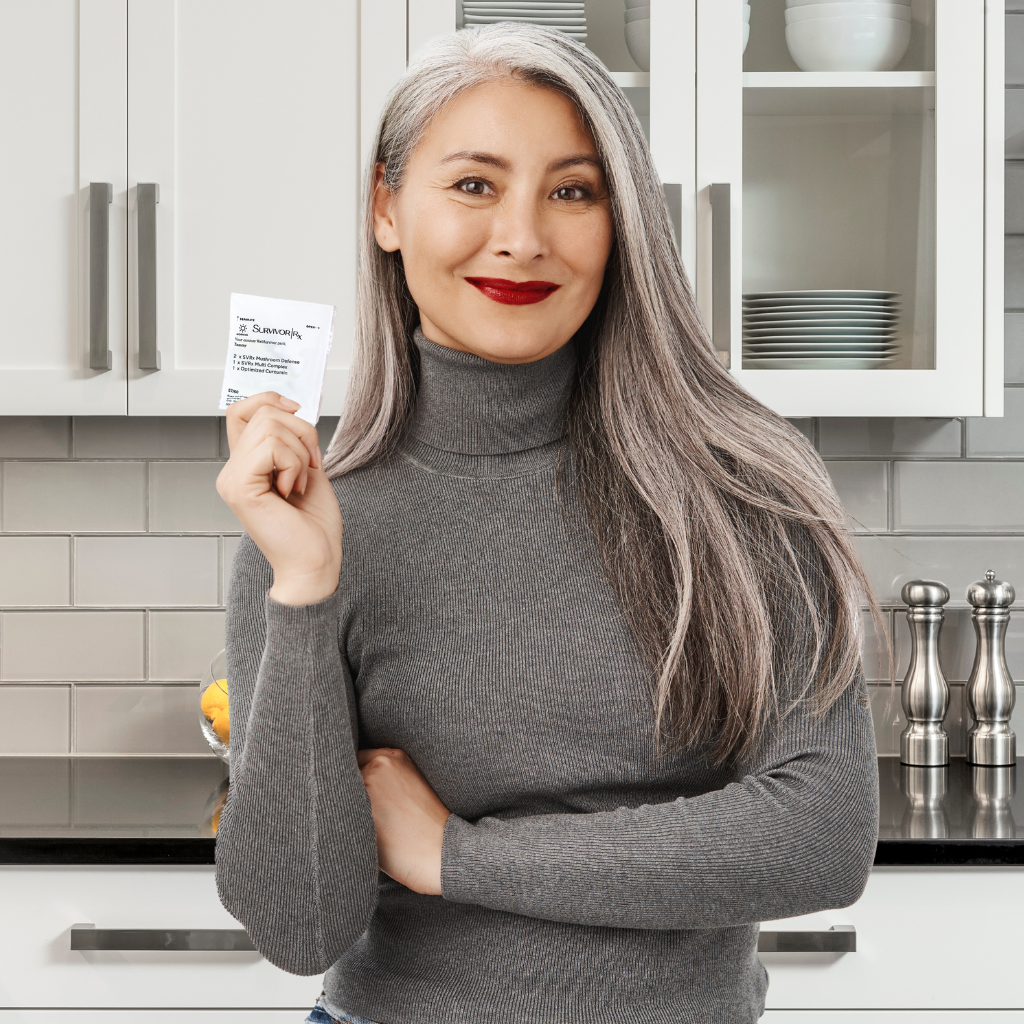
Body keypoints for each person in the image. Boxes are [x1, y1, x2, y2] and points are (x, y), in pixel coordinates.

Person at [214, 22, 880, 1024]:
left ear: (622, 224)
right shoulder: (313, 523)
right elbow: (298, 927)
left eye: (573, 190)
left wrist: (454, 853)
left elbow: (819, 837)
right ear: (386, 207)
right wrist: (304, 591)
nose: (522, 236)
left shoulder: (743, 488)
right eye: (474, 184)